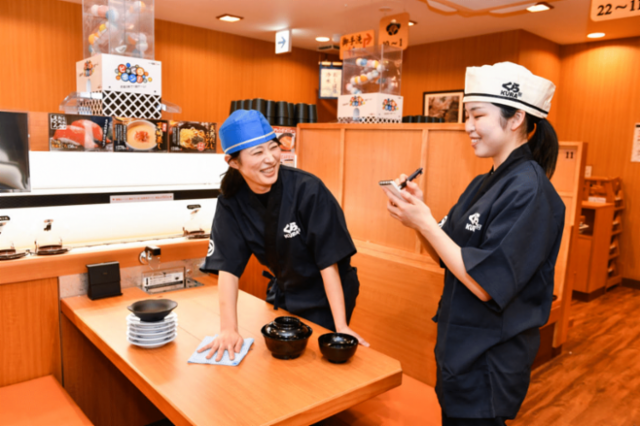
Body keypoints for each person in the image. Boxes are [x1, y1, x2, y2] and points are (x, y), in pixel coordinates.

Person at [382, 62, 565, 425]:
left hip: (490, 361)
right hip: (460, 349)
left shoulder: (530, 191)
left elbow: (485, 284)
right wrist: (419, 216)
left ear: (516, 119)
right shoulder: (483, 184)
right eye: (467, 115)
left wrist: (426, 224)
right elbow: (448, 255)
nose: (467, 126)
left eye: (477, 115)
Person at [199, 110, 368, 361]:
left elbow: (328, 262)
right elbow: (228, 268)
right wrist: (228, 329)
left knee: (315, 363)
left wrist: (340, 325)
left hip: (325, 293)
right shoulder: (231, 200)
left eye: (273, 147)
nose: (270, 159)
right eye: (257, 152)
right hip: (285, 289)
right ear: (233, 162)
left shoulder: (308, 190)